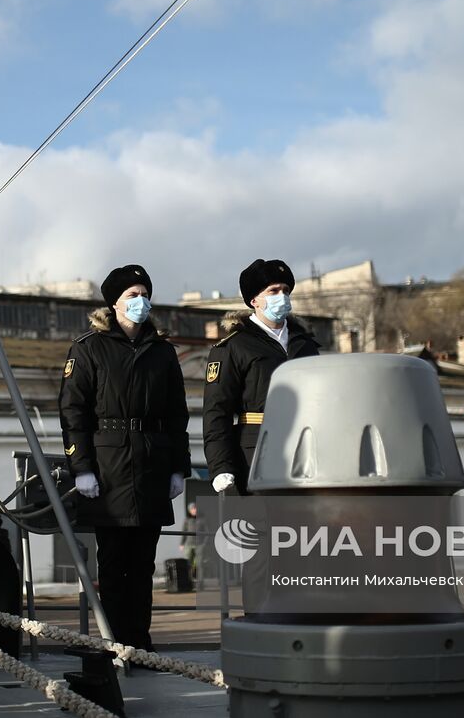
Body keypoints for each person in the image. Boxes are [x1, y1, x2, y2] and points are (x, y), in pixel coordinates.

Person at [59, 264, 191, 652]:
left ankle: (140, 641)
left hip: (151, 462)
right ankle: (114, 641)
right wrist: (80, 467)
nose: (140, 301)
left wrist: (179, 467)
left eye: (144, 294)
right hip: (109, 466)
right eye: (132, 295)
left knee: (144, 564)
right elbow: (73, 411)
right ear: (114, 302)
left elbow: (177, 414)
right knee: (114, 564)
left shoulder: (162, 352)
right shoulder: (89, 348)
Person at [203, 259, 320, 495]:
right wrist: (221, 466)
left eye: (286, 291)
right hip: (255, 452)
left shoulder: (306, 345)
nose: (282, 296)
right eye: (273, 291)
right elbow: (217, 412)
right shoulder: (234, 347)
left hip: (304, 450)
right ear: (254, 300)